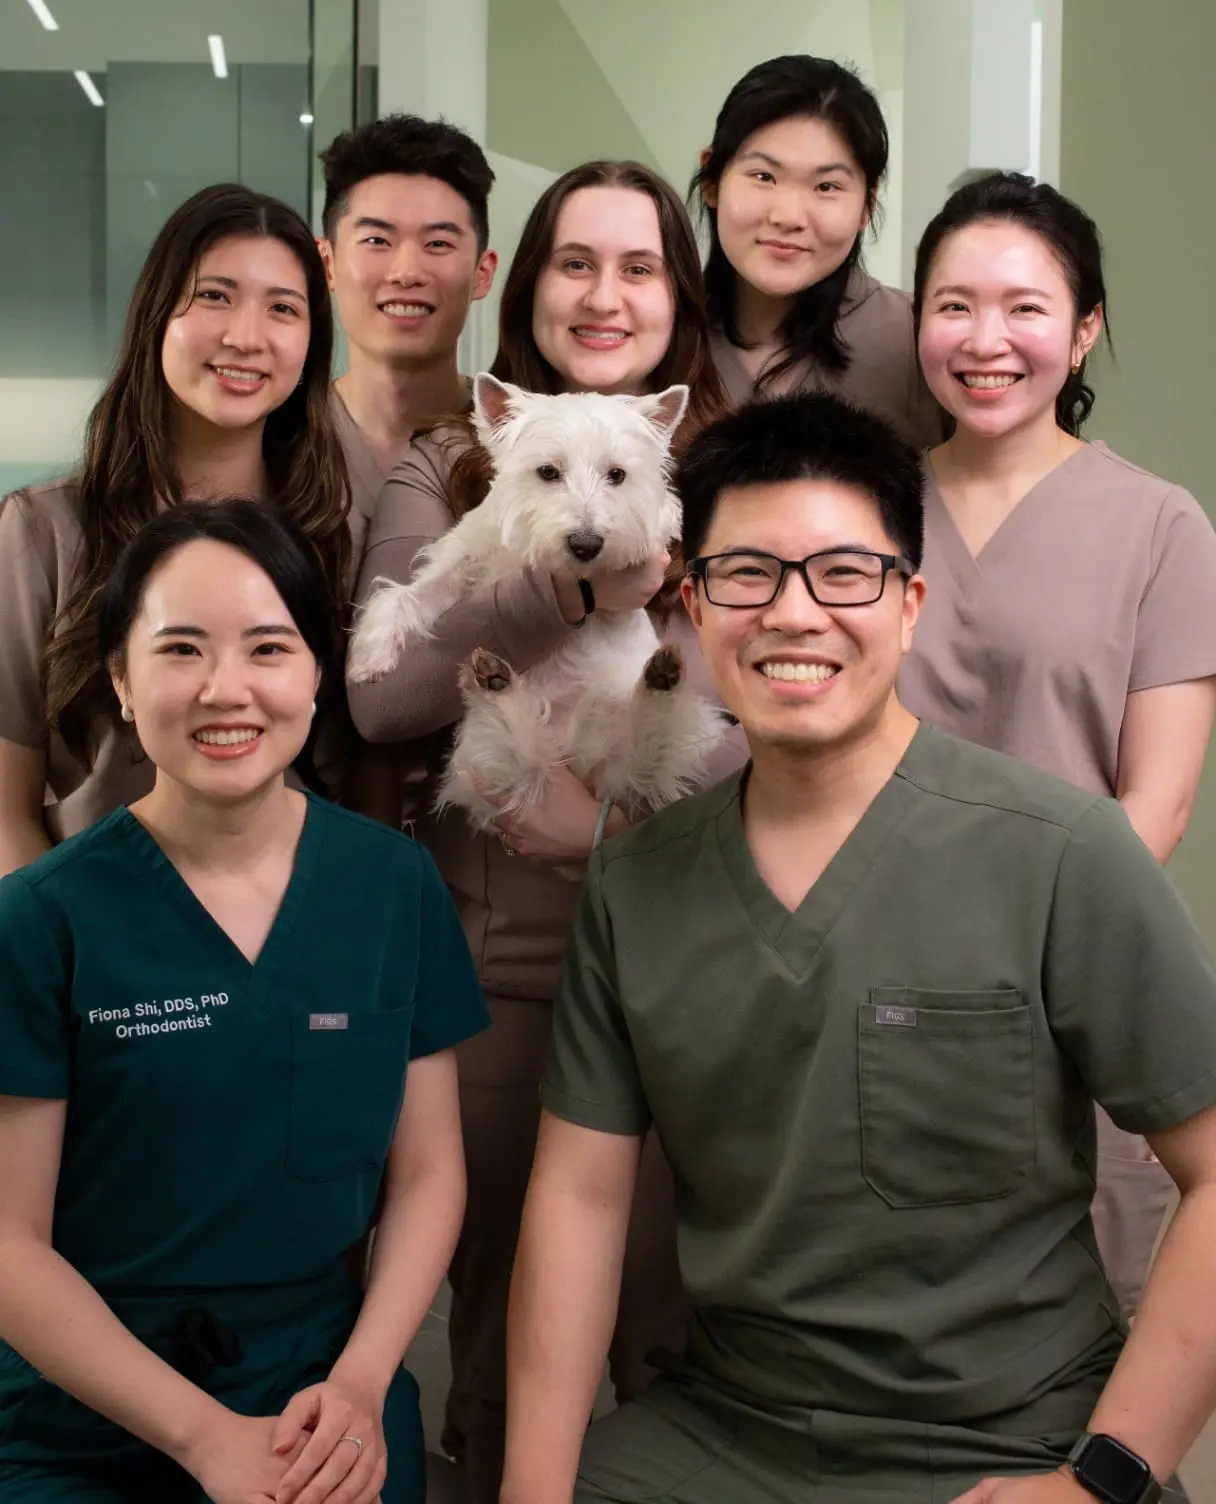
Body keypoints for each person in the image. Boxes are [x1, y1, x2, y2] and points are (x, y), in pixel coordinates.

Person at [505, 390, 1216, 1504]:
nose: (794, 614)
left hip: (1022, 1436)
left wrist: (1103, 1478)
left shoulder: (1061, 850)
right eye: (747, 575)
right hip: (731, 1428)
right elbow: (580, 1204)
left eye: (844, 574)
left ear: (909, 605)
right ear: (695, 605)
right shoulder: (635, 885)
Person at [348, 159, 747, 1503]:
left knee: (689, 1335)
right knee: (505, 1343)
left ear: (680, 295)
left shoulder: (735, 467)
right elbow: (387, 694)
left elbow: (785, 699)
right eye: (575, 262)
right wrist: (582, 592)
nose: (605, 293)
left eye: (640, 266)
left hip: (697, 960)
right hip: (505, 967)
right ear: (526, 286)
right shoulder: (449, 458)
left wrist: (614, 823)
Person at [0, 498, 487, 1501]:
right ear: (121, 681)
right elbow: (9, 1246)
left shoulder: (393, 888)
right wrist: (205, 1439)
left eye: (269, 648)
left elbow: (429, 1173)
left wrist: (360, 1384)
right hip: (86, 1406)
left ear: (315, 673)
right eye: (181, 650)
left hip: (323, 1387)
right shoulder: (42, 919)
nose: (227, 690)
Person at [900, 171, 1216, 1314]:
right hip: (869, 982)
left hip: (1074, 988)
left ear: (1083, 332)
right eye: (953, 305)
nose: (985, 340)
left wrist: (1014, 968)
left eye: (1025, 307)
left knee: (1079, 1338)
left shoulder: (1159, 525)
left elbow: (1157, 805)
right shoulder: (859, 512)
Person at [0, 185, 351, 876]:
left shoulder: (333, 531)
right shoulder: (41, 532)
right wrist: (56, 937)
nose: (246, 337)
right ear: (157, 313)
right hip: (90, 920)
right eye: (215, 296)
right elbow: (4, 811)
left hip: (297, 924)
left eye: (282, 308)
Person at [691, 53, 943, 447]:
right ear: (711, 179)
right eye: (763, 176)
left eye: (827, 186)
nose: (788, 216)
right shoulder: (661, 333)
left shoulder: (921, 338)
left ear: (867, 203)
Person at [319, 113, 498, 559]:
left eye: (438, 244)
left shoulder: (516, 443)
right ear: (327, 264)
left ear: (482, 272)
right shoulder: (280, 438)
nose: (406, 272)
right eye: (377, 241)